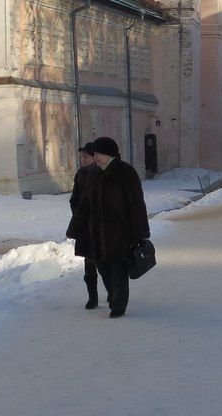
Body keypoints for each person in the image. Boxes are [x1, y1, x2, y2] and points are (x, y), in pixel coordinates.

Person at [85, 136, 151, 318]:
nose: (95, 157)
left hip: (120, 231)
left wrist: (139, 232)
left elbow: (137, 204)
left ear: (108, 154)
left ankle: (118, 305)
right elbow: (85, 204)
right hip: (97, 231)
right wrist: (79, 227)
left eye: (98, 153)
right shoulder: (94, 173)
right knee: (102, 266)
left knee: (118, 268)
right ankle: (113, 294)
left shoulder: (126, 172)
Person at [66, 143, 101, 309]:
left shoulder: (103, 173)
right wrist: (79, 214)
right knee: (89, 262)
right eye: (81, 157)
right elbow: (74, 198)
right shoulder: (80, 174)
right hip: (86, 226)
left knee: (105, 261)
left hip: (102, 226)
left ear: (95, 157)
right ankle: (92, 297)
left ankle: (113, 293)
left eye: (85, 156)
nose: (82, 160)